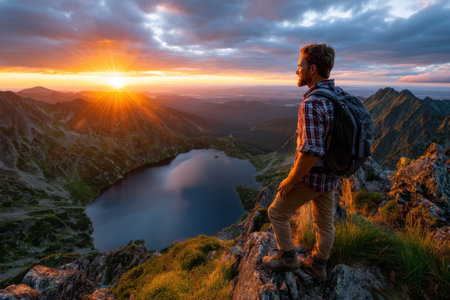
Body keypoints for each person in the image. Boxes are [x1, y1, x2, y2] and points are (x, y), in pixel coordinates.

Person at [262, 43, 341, 281]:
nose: (297, 71)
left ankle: (288, 258)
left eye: (300, 66)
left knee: (276, 212)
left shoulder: (312, 103)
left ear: (313, 69)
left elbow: (311, 152)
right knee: (325, 224)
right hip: (330, 175)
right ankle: (318, 265)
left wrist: (289, 181)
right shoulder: (336, 95)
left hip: (312, 177)